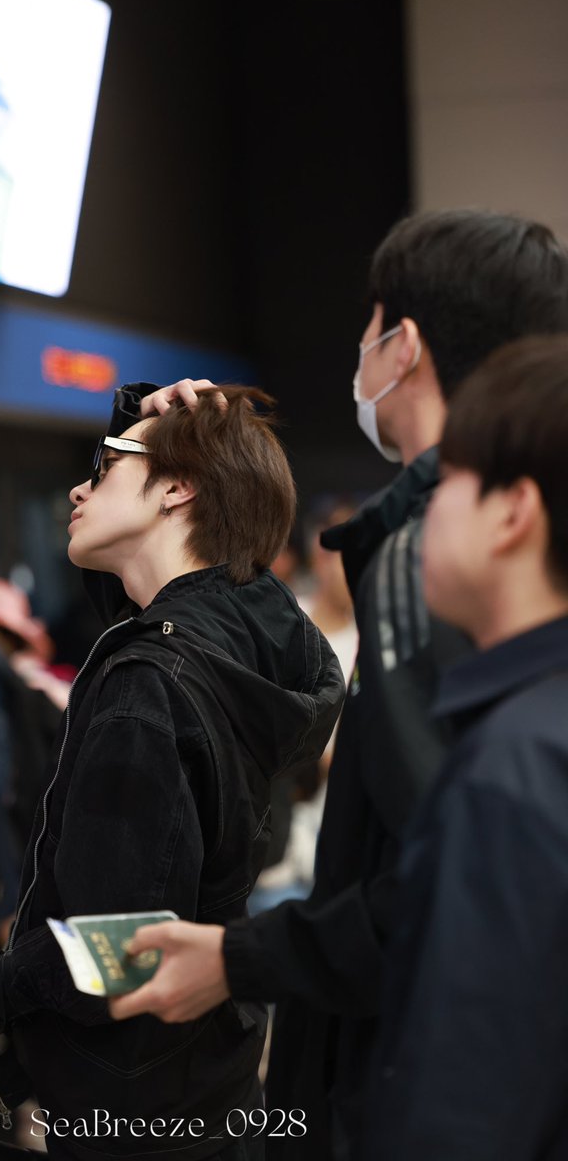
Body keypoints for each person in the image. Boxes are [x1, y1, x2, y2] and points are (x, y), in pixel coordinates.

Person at [108, 210, 568, 1159]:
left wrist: (243, 959)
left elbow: (436, 897)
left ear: (403, 344)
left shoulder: (424, 571)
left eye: (370, 326)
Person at [0, 385, 345, 1161]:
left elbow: (113, 948)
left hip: (130, 1109)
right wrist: (137, 424)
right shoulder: (238, 648)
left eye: (109, 466)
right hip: (203, 1073)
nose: (78, 489)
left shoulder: (146, 687)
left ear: (179, 488)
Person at [363, 335, 568, 1159]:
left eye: (449, 484)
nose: (430, 507)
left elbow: (462, 1109)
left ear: (513, 512)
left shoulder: (511, 767)